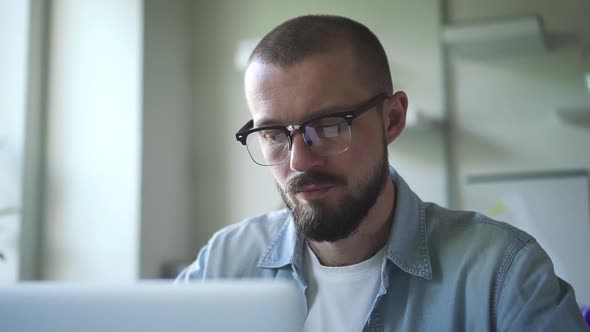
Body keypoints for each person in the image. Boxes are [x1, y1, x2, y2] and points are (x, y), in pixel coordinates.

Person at [177, 15, 588, 331]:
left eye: (330, 125)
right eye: (273, 134)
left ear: (392, 119)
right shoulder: (225, 263)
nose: (299, 161)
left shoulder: (502, 275)